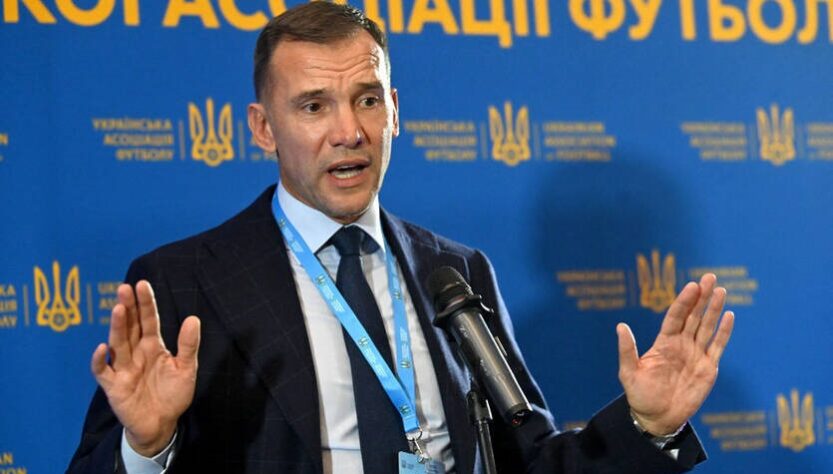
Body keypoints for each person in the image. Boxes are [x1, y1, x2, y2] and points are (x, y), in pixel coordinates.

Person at [67, 3, 734, 473]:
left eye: (367, 99)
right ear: (264, 129)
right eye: (313, 106)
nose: (348, 132)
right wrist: (146, 447)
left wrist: (646, 425)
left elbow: (530, 459)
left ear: (394, 112)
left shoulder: (457, 271)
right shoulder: (183, 281)